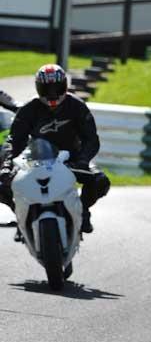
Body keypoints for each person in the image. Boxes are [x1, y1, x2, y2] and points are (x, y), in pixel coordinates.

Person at [0, 64, 110, 234]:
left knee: (100, 181)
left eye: (56, 88)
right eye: (47, 88)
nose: (52, 94)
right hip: (35, 160)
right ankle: (22, 215)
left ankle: (82, 210)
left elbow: (91, 139)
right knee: (1, 183)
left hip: (73, 158)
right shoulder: (29, 109)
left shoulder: (77, 106)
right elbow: (14, 141)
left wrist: (82, 160)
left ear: (65, 85)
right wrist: (7, 165)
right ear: (38, 88)